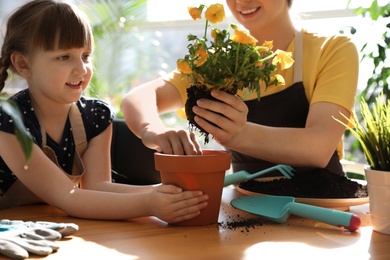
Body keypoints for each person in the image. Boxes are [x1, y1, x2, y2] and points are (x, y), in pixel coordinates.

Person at [0, 0, 208, 223]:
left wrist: (166, 192)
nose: (82, 69)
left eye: (86, 56)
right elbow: (68, 198)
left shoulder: (95, 116)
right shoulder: (9, 122)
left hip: (46, 223)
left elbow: (98, 187)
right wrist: (149, 203)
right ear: (23, 64)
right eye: (63, 56)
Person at [121, 0, 359, 176]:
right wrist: (152, 130)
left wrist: (239, 134)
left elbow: (318, 148)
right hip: (248, 205)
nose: (241, 1)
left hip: (322, 207)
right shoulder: (220, 63)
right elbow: (139, 97)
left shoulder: (332, 50)